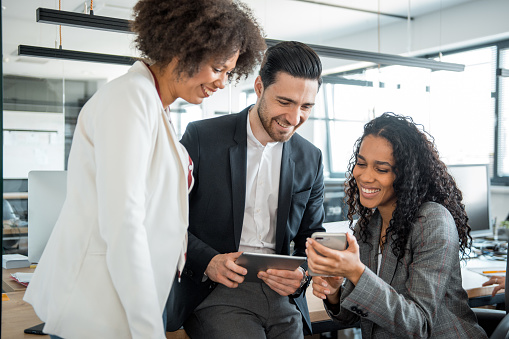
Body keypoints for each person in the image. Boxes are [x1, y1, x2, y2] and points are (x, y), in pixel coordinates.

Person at [23, 1, 266, 338]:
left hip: (125, 300)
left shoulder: (152, 104)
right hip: (96, 305)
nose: (223, 82)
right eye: (218, 68)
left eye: (229, 73)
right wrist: (148, 327)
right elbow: (124, 222)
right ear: (186, 49)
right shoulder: (129, 99)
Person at [165, 41, 325, 338]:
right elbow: (165, 218)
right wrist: (208, 262)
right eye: (285, 102)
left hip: (282, 297)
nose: (294, 119)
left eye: (306, 107)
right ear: (260, 87)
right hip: (214, 291)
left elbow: (312, 236)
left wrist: (302, 275)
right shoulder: (202, 138)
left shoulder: (310, 157)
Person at [306, 113, 487, 338]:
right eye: (361, 163)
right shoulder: (368, 226)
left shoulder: (432, 221)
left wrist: (357, 272)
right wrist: (334, 294)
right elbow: (361, 315)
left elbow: (417, 326)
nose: (364, 176)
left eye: (381, 169)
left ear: (406, 175)